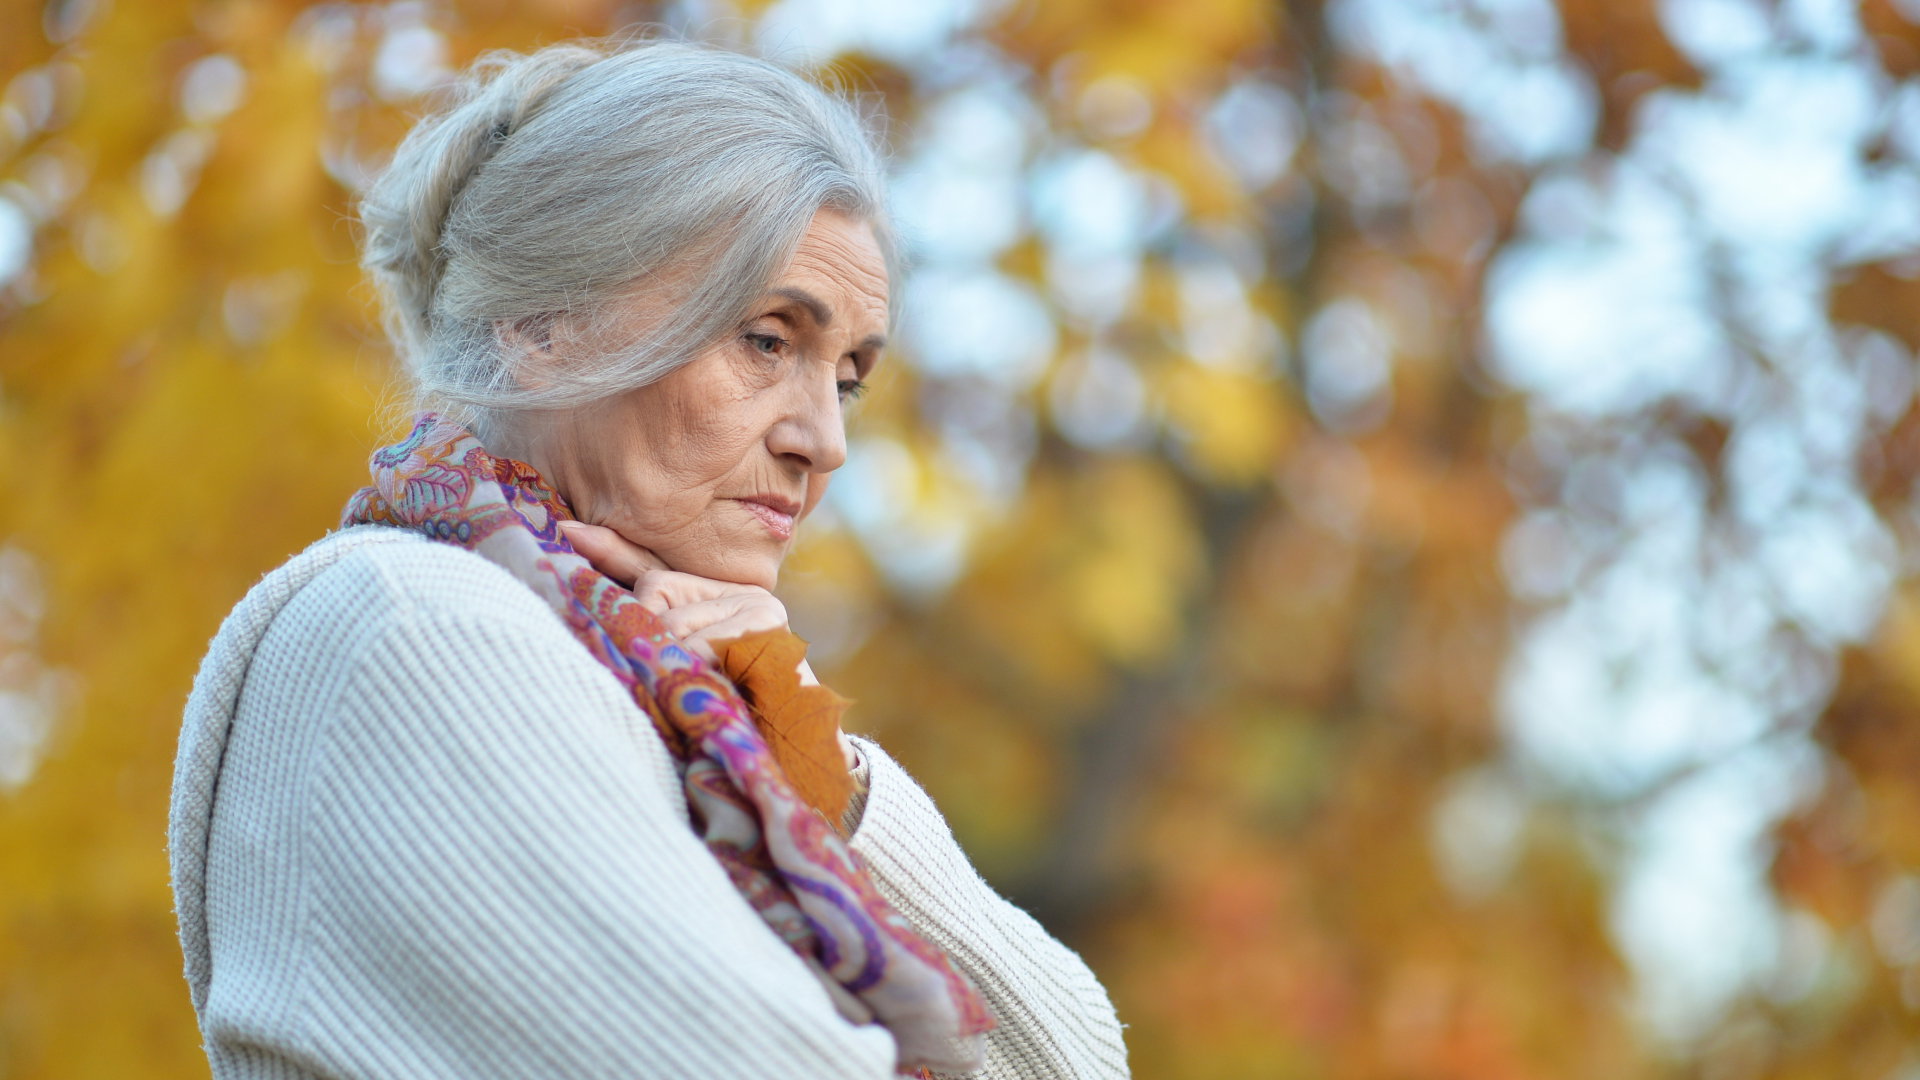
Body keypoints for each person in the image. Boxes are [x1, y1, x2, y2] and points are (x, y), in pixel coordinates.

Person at [166, 36, 1131, 1080]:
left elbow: (1080, 1062)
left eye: (845, 376)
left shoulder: (672, 699)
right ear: (544, 320)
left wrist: (830, 784)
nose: (826, 439)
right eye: (768, 340)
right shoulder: (415, 629)